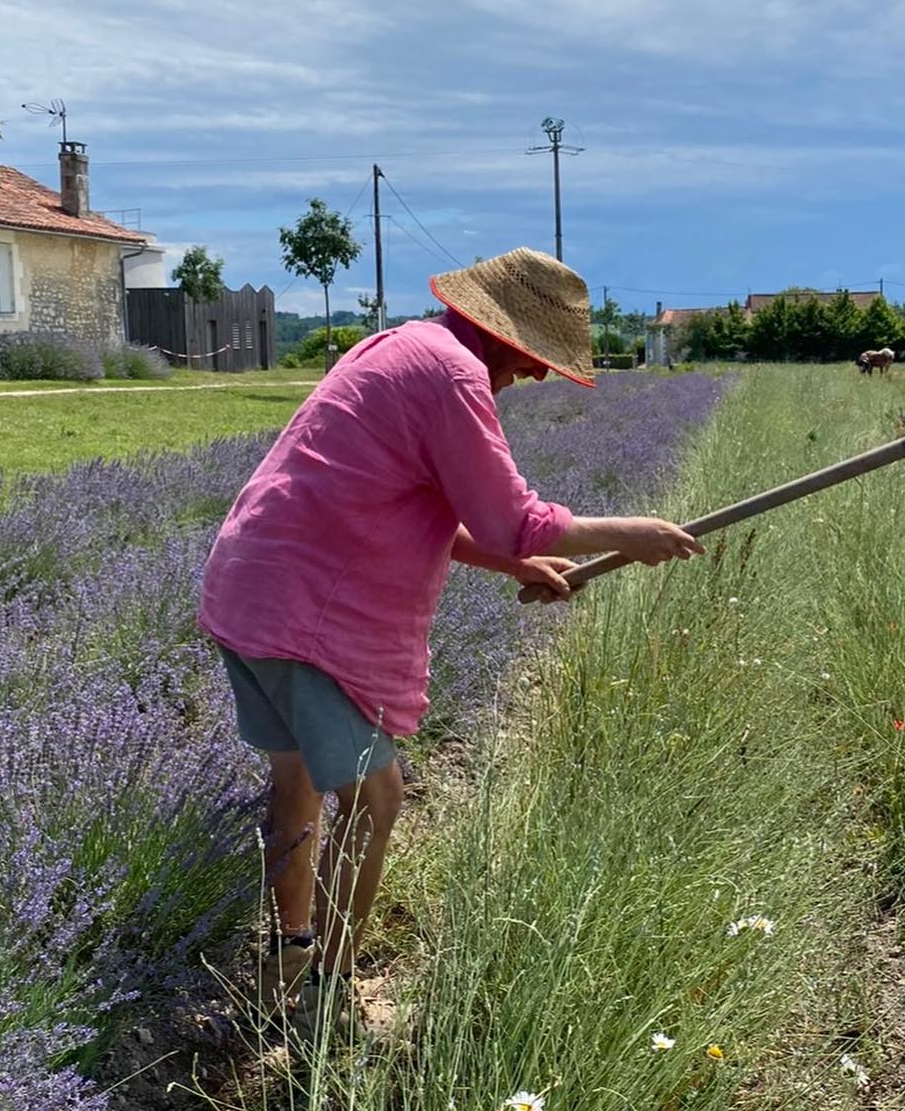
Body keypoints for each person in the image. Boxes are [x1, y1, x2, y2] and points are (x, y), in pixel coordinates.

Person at [198, 247, 702, 1038]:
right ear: (501, 335)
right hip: (307, 617)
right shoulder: (454, 375)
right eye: (536, 358)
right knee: (377, 798)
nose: (535, 378)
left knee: (295, 782)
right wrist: (625, 534)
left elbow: (406, 498)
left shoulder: (400, 346)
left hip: (249, 590)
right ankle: (327, 1001)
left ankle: (290, 952)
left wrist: (509, 560)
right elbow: (517, 513)